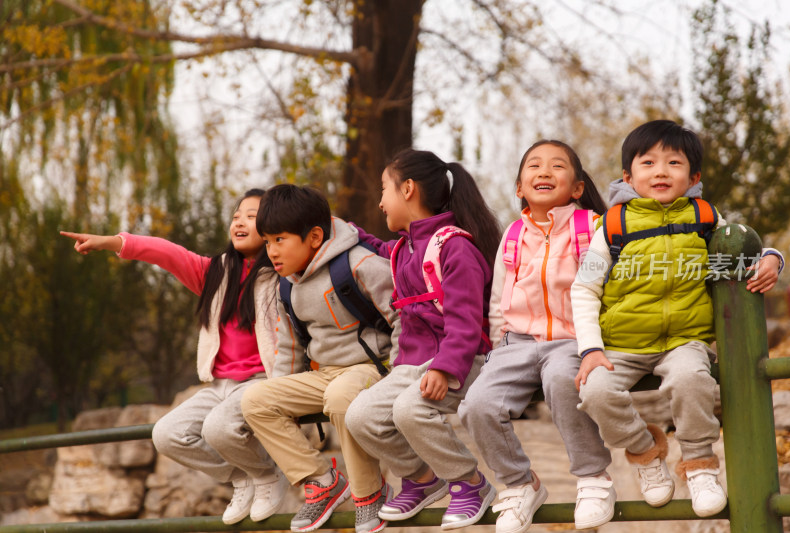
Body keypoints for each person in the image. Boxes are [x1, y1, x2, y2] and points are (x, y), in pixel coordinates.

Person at [572, 119, 784, 518]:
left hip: (684, 340)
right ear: (628, 175)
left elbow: (743, 246)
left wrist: (774, 258)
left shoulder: (704, 218)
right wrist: (591, 349)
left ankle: (700, 465)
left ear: (693, 177)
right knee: (595, 391)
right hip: (623, 343)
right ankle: (645, 452)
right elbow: (584, 287)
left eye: (674, 162)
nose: (661, 171)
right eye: (648, 163)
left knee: (691, 379)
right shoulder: (612, 226)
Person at [61, 188, 287, 525]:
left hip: (259, 383)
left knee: (218, 427)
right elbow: (165, 253)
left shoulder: (284, 273)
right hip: (220, 385)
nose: (240, 221)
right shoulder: (215, 273)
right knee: (166, 434)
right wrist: (110, 242)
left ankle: (268, 475)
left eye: (252, 216)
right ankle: (241, 477)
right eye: (237, 215)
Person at [458, 140, 615, 532]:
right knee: (476, 404)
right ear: (519, 188)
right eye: (534, 166)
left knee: (562, 381)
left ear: (577, 187)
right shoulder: (512, 235)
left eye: (557, 166)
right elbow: (498, 297)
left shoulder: (592, 227)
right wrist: (499, 347)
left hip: (571, 339)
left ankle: (594, 477)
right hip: (518, 342)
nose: (544, 172)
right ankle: (519, 483)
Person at [345, 148, 502, 530]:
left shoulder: (456, 248)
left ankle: (470, 483)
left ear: (409, 189)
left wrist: (447, 368)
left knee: (409, 410)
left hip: (463, 360)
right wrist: (343, 230)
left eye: (385, 189)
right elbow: (376, 247)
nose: (380, 201)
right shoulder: (404, 249)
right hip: (413, 365)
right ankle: (421, 479)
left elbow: (465, 321)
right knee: (360, 416)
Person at [240, 184, 400, 533]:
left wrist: (402, 373)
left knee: (341, 397)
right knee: (254, 400)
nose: (271, 252)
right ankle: (322, 481)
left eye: (279, 240)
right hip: (326, 374)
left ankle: (370, 493)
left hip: (373, 369)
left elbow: (404, 318)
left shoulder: (359, 265)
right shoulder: (286, 286)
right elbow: (291, 347)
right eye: (266, 242)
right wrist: (284, 401)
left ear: (314, 236)